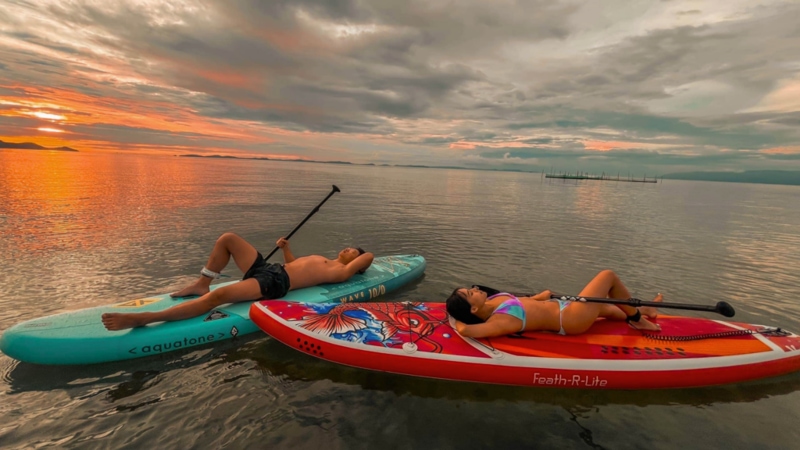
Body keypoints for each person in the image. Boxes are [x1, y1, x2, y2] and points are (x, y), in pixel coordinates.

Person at [102, 232, 374, 330]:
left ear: (358, 264)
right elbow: (295, 265)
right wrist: (286, 249)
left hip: (275, 283)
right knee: (228, 239)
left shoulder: (341, 272)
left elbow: (369, 256)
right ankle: (202, 282)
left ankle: (146, 318)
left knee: (218, 298)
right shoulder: (324, 260)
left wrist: (362, 257)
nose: (349, 248)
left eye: (354, 251)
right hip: (270, 269)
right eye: (351, 247)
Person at [446, 269, 662, 339]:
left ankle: (644, 309)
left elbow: (524, 304)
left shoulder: (492, 300)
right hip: (570, 320)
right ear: (473, 309)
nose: (475, 289)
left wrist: (540, 297)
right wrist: (455, 318)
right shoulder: (500, 321)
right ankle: (638, 320)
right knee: (607, 276)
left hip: (562, 306)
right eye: (471, 293)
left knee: (606, 308)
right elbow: (467, 331)